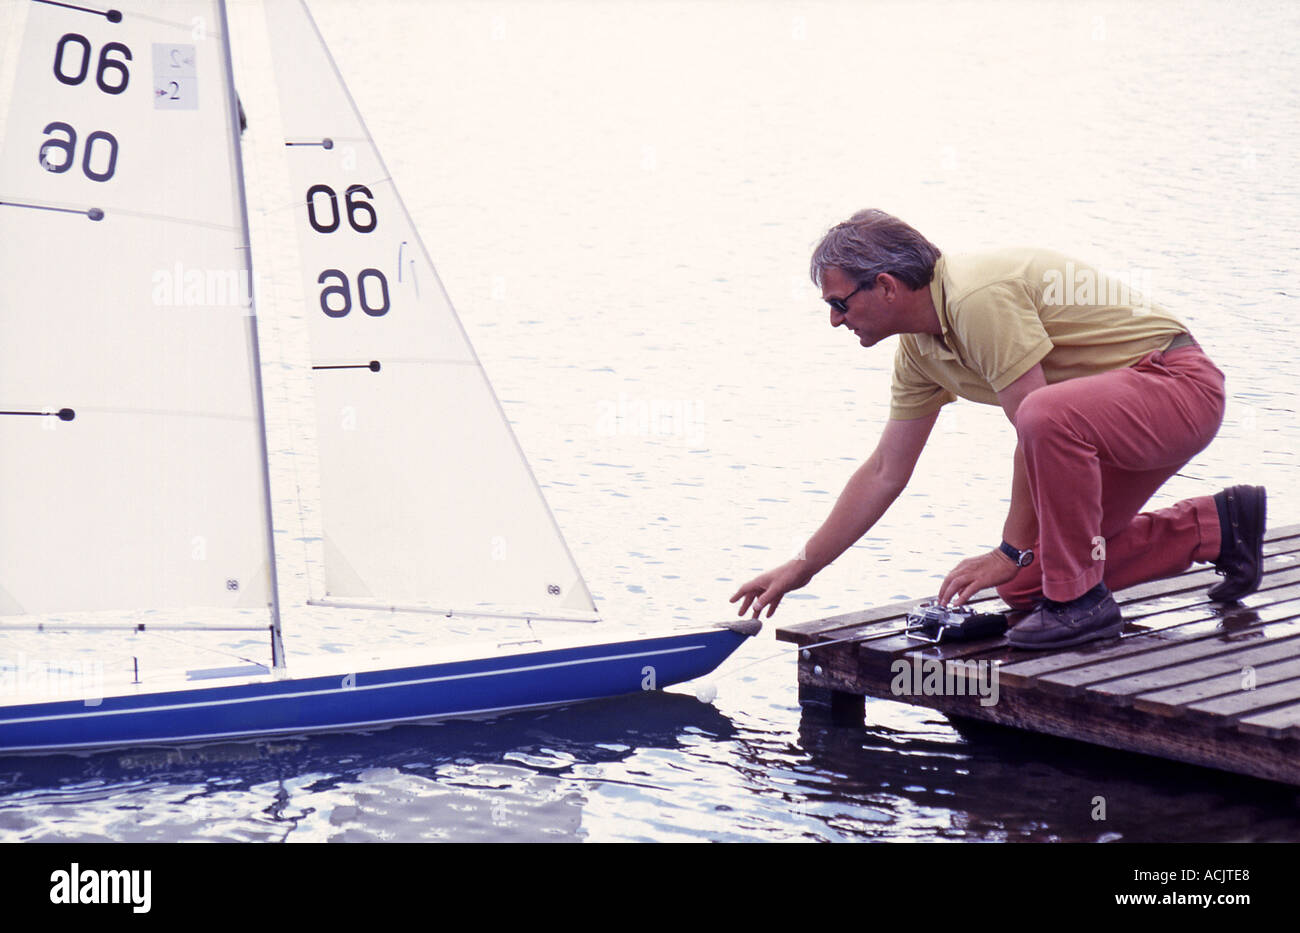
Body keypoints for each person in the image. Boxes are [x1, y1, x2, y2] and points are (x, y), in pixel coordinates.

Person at [729, 209, 1266, 649]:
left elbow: (1040, 421)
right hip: (1102, 427)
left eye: (839, 304)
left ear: (887, 286)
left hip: (1178, 389)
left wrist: (1007, 550)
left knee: (1040, 428)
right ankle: (1218, 527)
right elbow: (885, 471)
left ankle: (1080, 607)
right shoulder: (919, 350)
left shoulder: (974, 298)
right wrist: (804, 566)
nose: (835, 321)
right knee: (1031, 586)